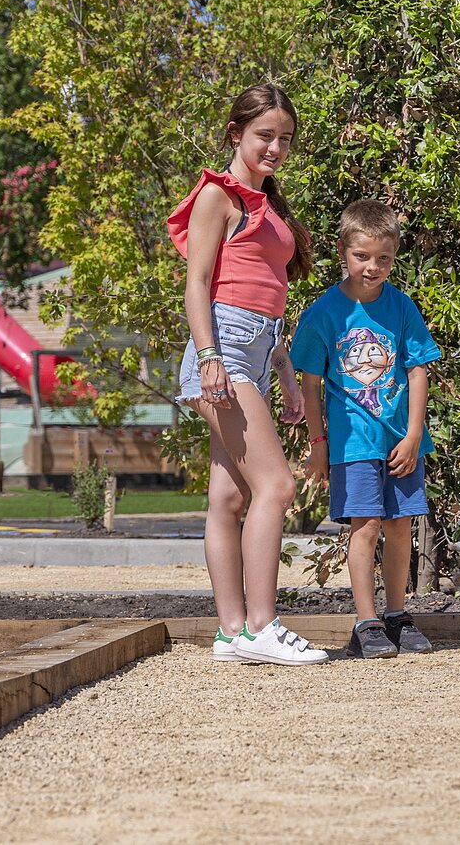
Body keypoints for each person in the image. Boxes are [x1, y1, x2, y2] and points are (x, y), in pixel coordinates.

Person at [166, 84, 328, 666]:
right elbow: (198, 283)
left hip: (256, 351)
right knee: (277, 486)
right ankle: (263, 624)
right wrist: (209, 357)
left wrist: (282, 370)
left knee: (229, 498)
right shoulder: (218, 195)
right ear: (236, 133)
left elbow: (268, 300)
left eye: (285, 138)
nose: (276, 147)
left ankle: (232, 632)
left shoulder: (266, 201)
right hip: (224, 351)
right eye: (265, 135)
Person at [290, 199, 441, 658]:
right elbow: (311, 387)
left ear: (394, 257)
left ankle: (396, 615)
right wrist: (318, 444)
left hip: (400, 440)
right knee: (366, 525)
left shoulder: (401, 308)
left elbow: (418, 370)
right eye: (362, 256)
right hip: (352, 440)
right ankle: (366, 622)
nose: (372, 267)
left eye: (383, 258)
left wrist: (414, 434)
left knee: (400, 526)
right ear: (342, 251)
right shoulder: (322, 314)